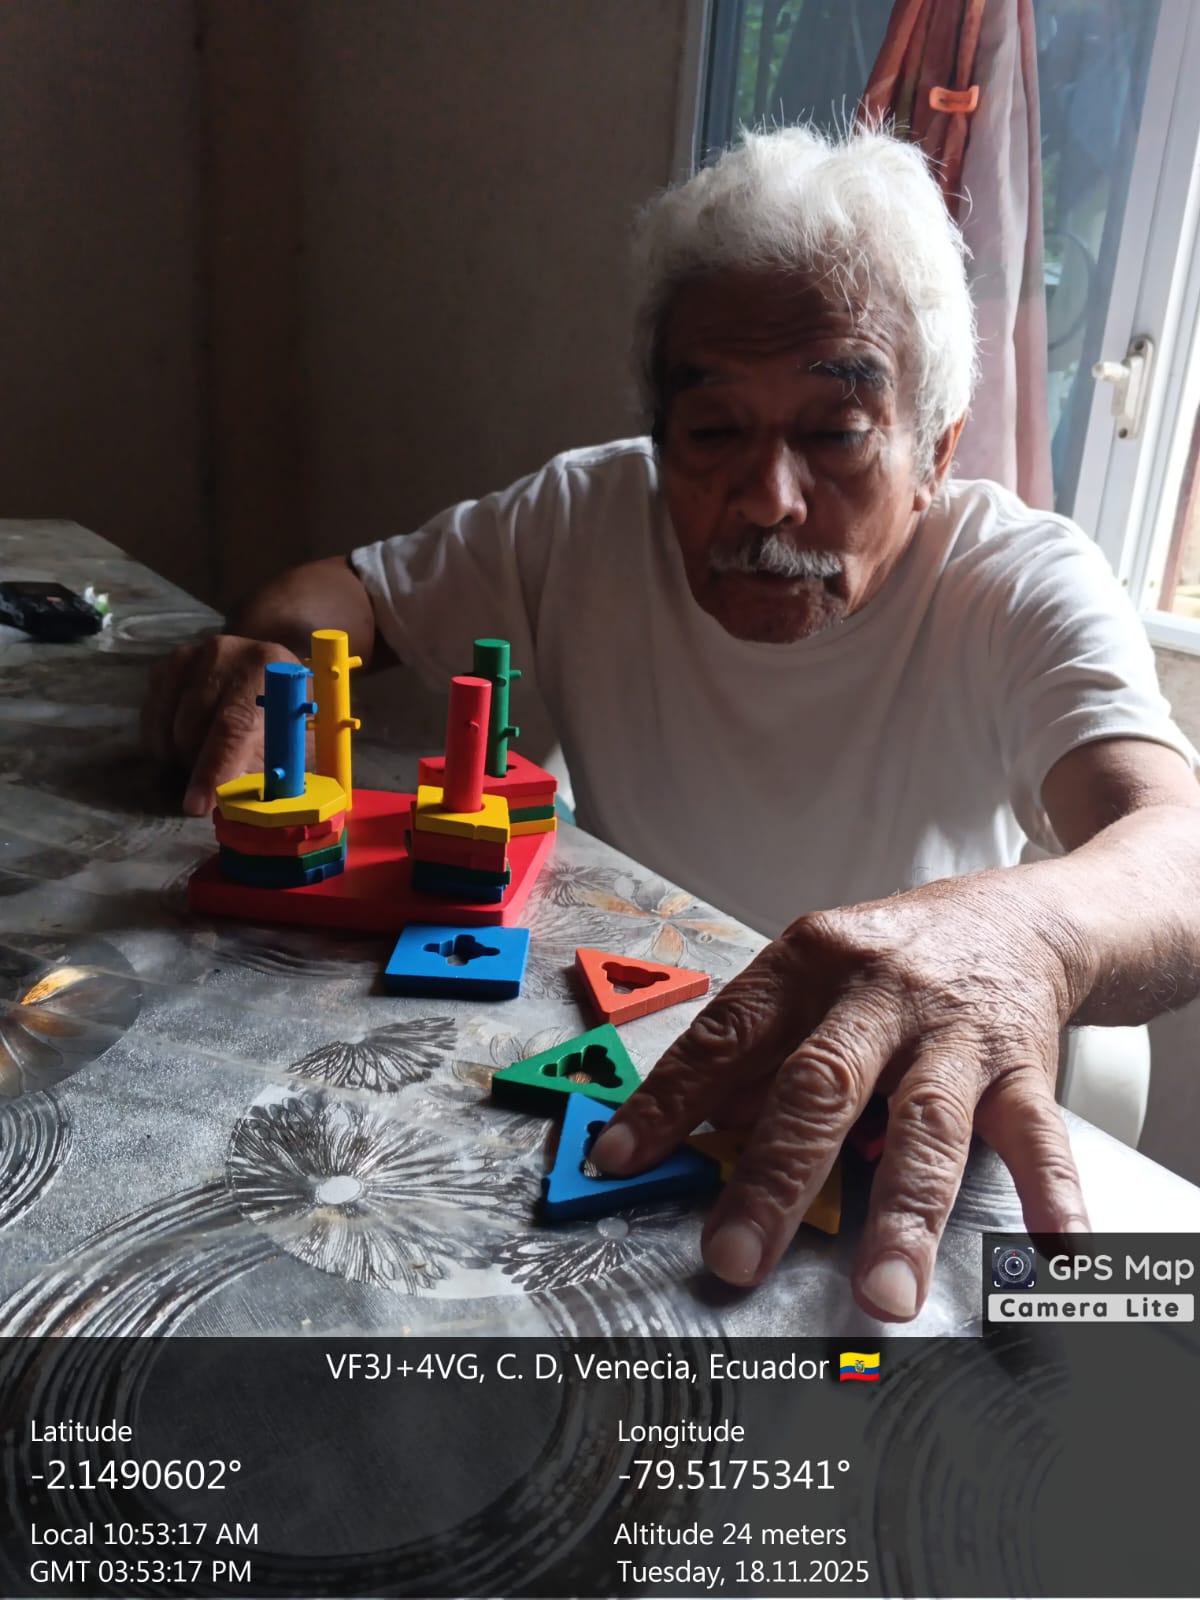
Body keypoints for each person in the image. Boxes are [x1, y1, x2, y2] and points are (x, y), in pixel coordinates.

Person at [143, 124, 1200, 1323]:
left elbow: (1177, 846)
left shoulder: (1020, 579)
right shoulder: (581, 516)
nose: (767, 498)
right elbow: (336, 594)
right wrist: (269, 653)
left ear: (936, 451)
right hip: (609, 1069)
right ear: (657, 443)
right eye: (713, 432)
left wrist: (1016, 938)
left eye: (835, 432)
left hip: (870, 1125)